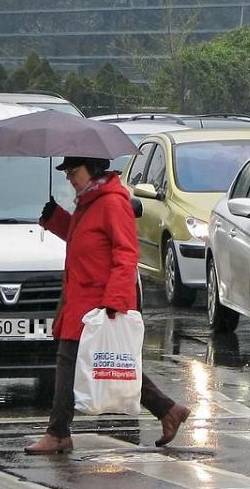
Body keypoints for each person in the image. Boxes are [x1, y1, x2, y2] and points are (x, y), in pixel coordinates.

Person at [25, 156, 190, 454]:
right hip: (81, 301)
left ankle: (58, 433)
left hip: (98, 304)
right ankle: (168, 410)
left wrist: (114, 301)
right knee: (107, 364)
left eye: (74, 171)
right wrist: (56, 218)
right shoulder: (88, 201)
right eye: (67, 172)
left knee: (79, 362)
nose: (69, 178)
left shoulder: (112, 202)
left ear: (93, 169)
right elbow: (84, 241)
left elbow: (126, 253)